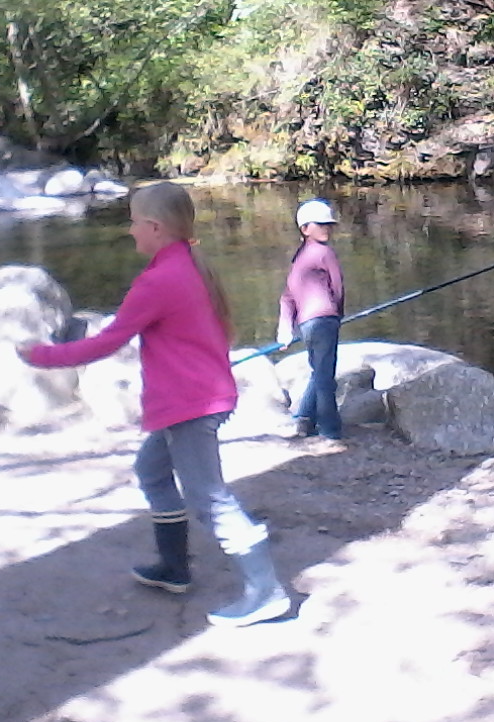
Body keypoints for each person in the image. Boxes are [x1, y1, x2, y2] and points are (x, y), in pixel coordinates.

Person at [17, 181, 290, 628]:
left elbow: (106, 342)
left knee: (211, 499)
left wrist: (41, 356)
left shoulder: (160, 280)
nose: (130, 231)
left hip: (191, 405)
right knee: (152, 472)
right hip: (196, 399)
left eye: (133, 222)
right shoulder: (187, 266)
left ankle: (266, 591)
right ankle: (174, 567)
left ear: (155, 227)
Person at [277, 198, 345, 441]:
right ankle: (330, 430)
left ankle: (304, 418)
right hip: (325, 321)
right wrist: (338, 314)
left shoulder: (298, 260)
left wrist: (285, 330)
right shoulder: (325, 253)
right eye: (321, 224)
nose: (327, 229)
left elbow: (287, 298)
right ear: (305, 228)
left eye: (329, 225)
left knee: (319, 372)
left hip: (307, 326)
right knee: (326, 378)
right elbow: (337, 287)